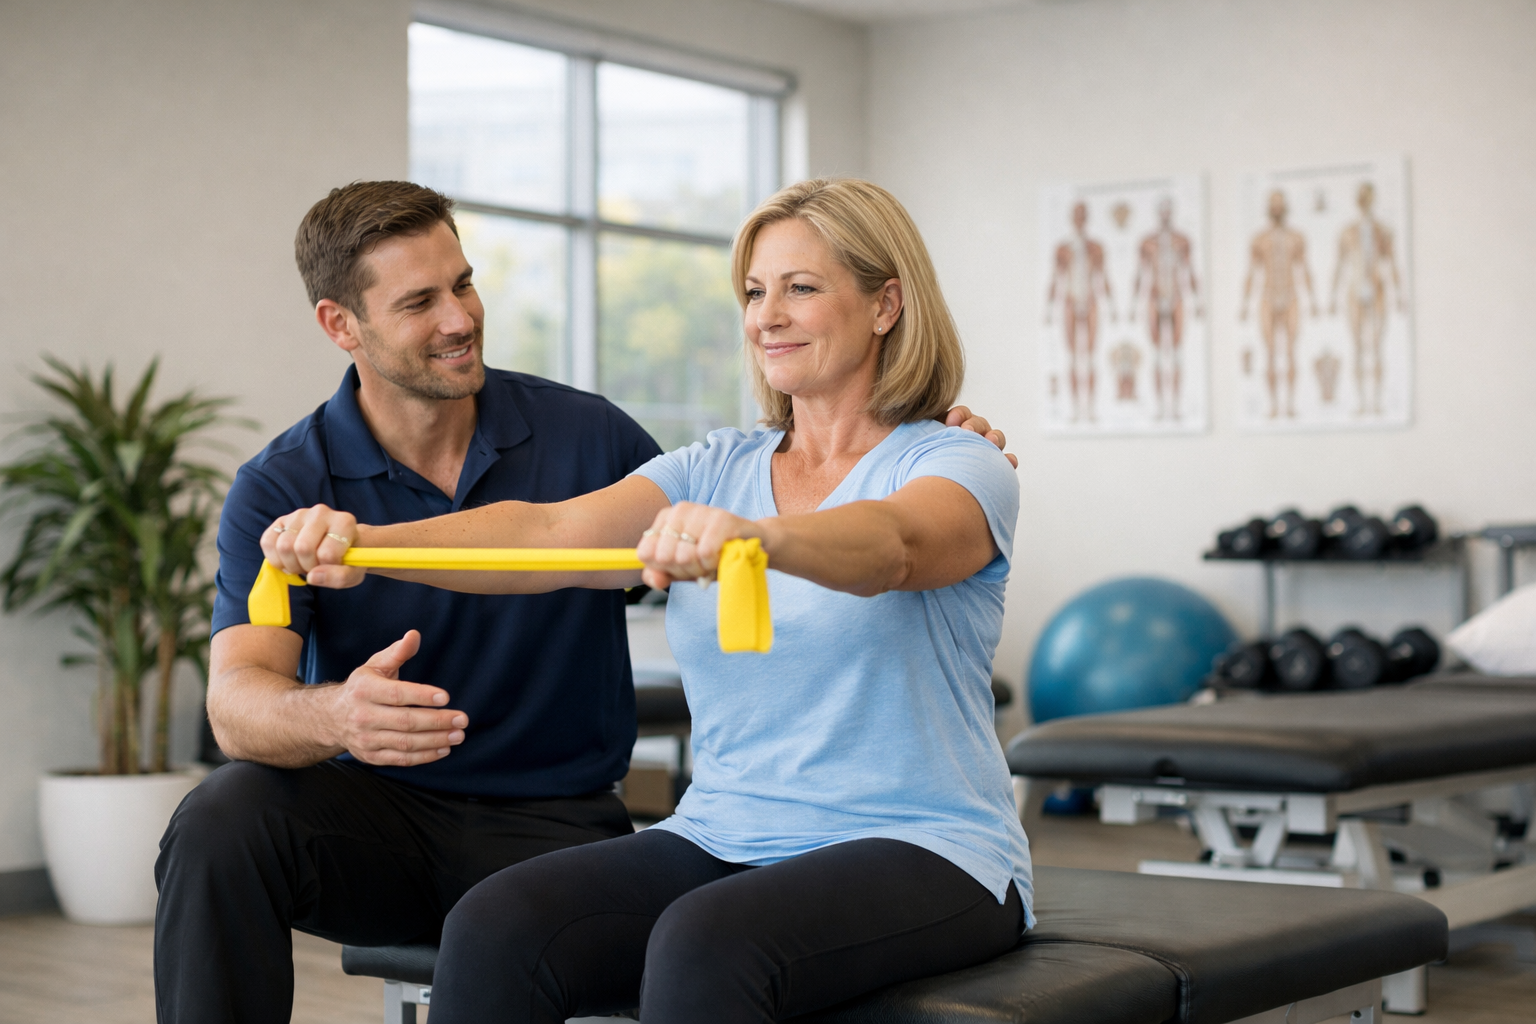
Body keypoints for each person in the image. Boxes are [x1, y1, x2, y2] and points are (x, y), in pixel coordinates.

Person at [153, 180, 1012, 1024]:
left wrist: (764, 539)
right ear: (342, 324)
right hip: (714, 831)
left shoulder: (955, 462)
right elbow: (548, 536)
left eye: (801, 288)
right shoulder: (711, 466)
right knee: (492, 927)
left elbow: (897, 545)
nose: (767, 315)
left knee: (703, 940)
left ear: (886, 304)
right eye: (755, 291)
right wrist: (362, 544)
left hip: (919, 840)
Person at [1328, 182, 1404, 416]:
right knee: (1358, 348)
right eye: (1361, 197)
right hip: (1354, 292)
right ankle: (1361, 403)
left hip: (1377, 289)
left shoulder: (1383, 231)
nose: (1365, 201)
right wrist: (1332, 296)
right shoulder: (1347, 232)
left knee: (1377, 347)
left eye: (1368, 196)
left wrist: (1399, 293)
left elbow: (1392, 263)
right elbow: (1339, 265)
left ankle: (1377, 402)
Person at [1241, 188, 1318, 419]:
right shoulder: (1259, 239)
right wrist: (1244, 304)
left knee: (1291, 351)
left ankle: (1291, 405)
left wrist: (1313, 300)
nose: (1276, 208)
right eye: (1273, 204)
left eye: (1279, 204)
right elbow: (1251, 272)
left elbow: (1304, 268)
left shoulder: (1296, 237)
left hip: (1291, 296)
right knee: (1271, 354)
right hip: (1267, 297)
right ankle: (1274, 406)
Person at [1130, 197, 1202, 421]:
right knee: (1157, 355)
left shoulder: (1182, 241)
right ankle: (1160, 406)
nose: (1165, 215)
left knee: (1177, 353)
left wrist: (1197, 300)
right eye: (1161, 211)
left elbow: (1189, 270)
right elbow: (1140, 273)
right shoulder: (1147, 242)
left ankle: (1176, 406)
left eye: (1168, 211)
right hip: (1154, 296)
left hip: (1176, 296)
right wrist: (1133, 304)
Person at [1045, 200, 1114, 423]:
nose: (1080, 219)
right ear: (1072, 218)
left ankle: (1091, 408)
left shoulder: (1096, 247)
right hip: (1070, 302)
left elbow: (1103, 276)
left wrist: (1112, 307)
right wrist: (1048, 307)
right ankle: (1075, 409)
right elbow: (1055, 277)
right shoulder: (1063, 249)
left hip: (1091, 300)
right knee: (1073, 357)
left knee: (1091, 356)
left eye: (1083, 214)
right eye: (1077, 214)